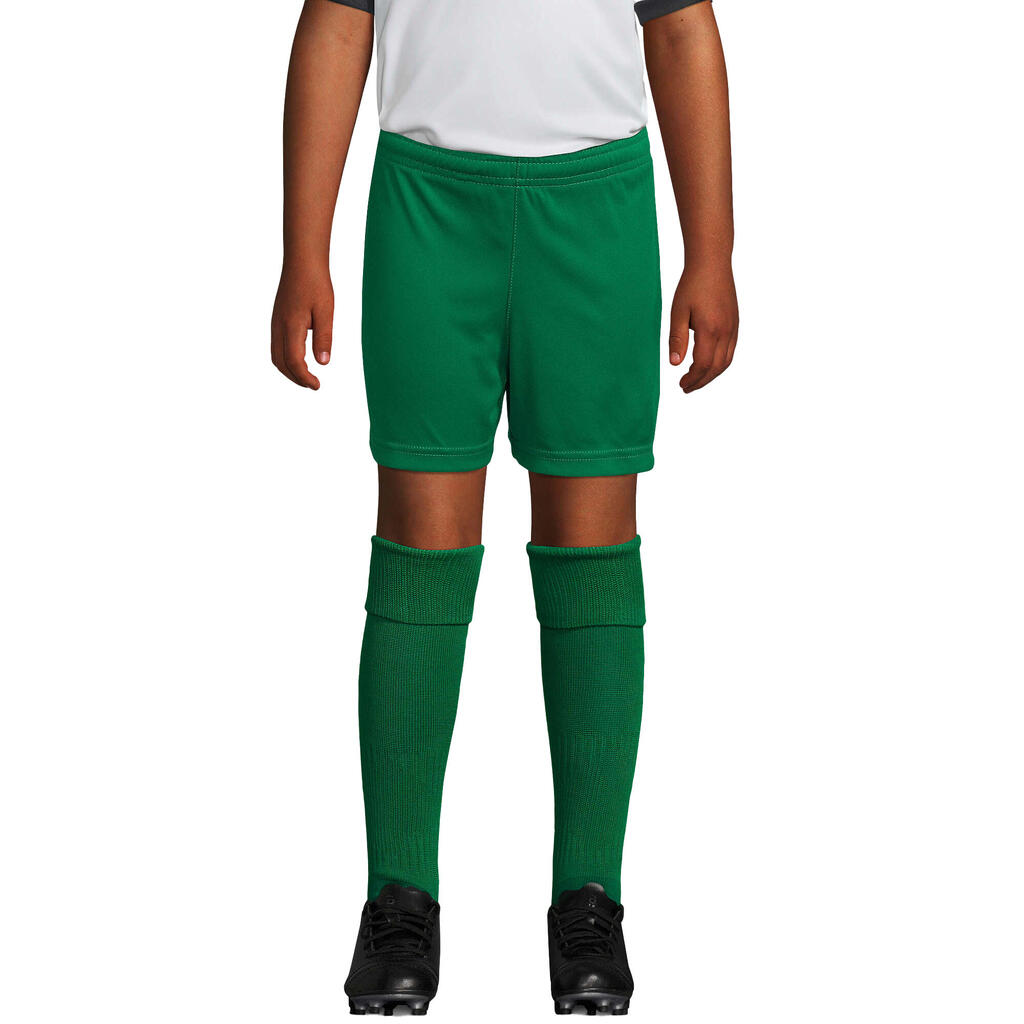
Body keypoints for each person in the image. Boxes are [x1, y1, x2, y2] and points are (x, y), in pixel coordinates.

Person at [271, 0, 738, 1014]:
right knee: (419, 541)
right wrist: (303, 246)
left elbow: (681, 29)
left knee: (591, 540)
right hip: (427, 205)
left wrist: (713, 250)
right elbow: (337, 25)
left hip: (597, 207)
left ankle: (590, 900)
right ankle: (398, 897)